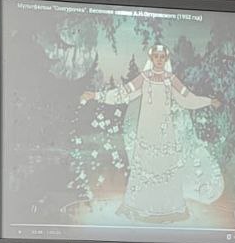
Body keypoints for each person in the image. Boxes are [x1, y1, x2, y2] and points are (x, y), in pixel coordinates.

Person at [79, 43, 224, 222]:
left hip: (165, 133)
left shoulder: (171, 79)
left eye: (162, 57)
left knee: (166, 169)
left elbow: (188, 99)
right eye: (156, 56)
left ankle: (168, 210)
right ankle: (142, 209)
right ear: (151, 58)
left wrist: (209, 101)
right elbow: (122, 94)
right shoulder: (143, 78)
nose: (159, 60)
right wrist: (96, 95)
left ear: (166, 59)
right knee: (145, 170)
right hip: (146, 132)